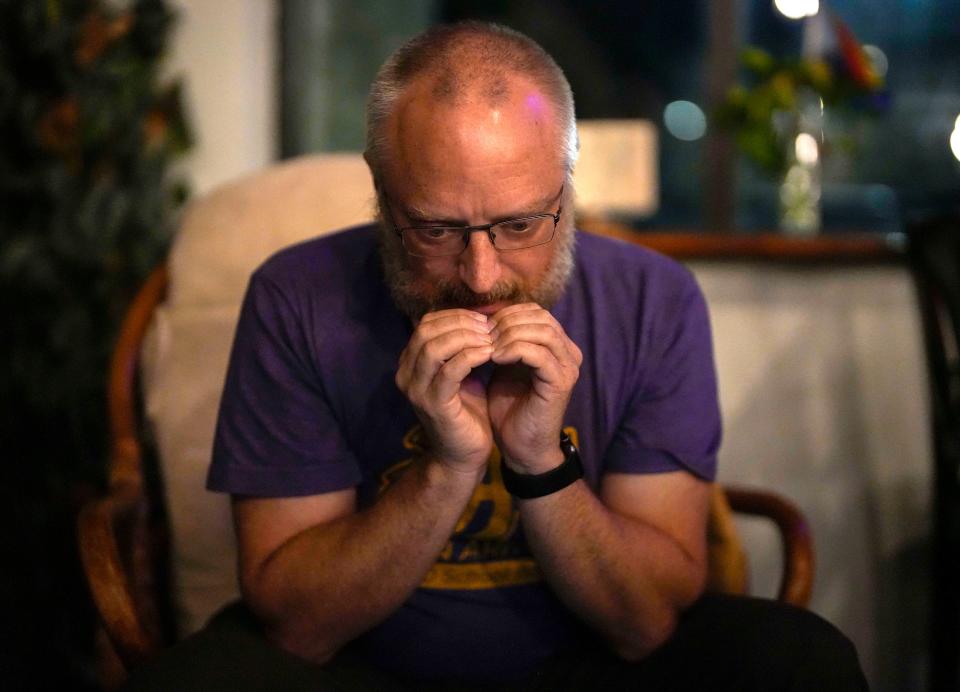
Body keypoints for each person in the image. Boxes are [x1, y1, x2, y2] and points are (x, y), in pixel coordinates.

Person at [126, 21, 867, 691]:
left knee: (801, 661)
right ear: (383, 196)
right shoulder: (296, 296)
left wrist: (541, 462)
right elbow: (300, 627)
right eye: (436, 230)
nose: (481, 276)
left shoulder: (654, 300)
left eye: (519, 225)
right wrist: (447, 466)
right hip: (365, 666)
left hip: (588, 662)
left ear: (567, 188)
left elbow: (645, 626)